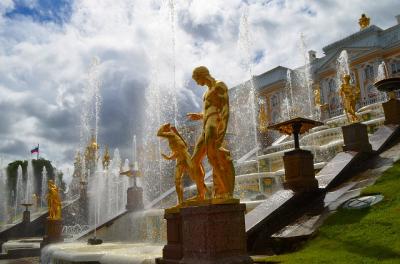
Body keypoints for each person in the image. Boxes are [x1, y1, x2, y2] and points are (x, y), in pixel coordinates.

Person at [187, 66, 235, 201]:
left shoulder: (219, 85)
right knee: (193, 162)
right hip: (206, 125)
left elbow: (225, 108)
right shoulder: (206, 92)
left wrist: (223, 131)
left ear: (203, 75)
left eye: (197, 79)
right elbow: (210, 109)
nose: (197, 83)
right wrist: (200, 115)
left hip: (214, 124)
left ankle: (227, 192)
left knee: (212, 158)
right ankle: (202, 193)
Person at [157, 123, 208, 204]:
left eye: (165, 130)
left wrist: (164, 126)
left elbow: (158, 133)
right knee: (177, 180)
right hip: (180, 160)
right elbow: (179, 150)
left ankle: (202, 193)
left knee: (194, 175)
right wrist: (169, 157)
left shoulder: (171, 135)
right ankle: (180, 202)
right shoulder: (173, 138)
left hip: (185, 158)